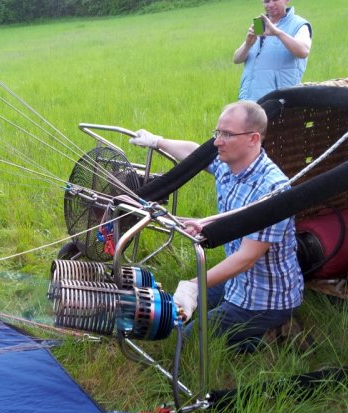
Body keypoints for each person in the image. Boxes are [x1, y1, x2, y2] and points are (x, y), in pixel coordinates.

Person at [129, 100, 304, 352]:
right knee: (169, 313)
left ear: (253, 139)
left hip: (264, 298)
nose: (217, 142)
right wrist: (157, 141)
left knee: (187, 342)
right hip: (238, 282)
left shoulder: (271, 189)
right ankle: (253, 334)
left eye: (227, 135)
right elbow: (194, 153)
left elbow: (246, 258)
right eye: (218, 132)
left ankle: (263, 335)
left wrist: (193, 283)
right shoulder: (228, 164)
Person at [233, 0, 312, 101]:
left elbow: (303, 51)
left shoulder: (299, 25)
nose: (270, 5)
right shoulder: (260, 24)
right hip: (248, 99)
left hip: (277, 102)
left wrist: (278, 33)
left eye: (275, 0)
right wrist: (248, 44)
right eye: (266, 1)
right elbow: (236, 59)